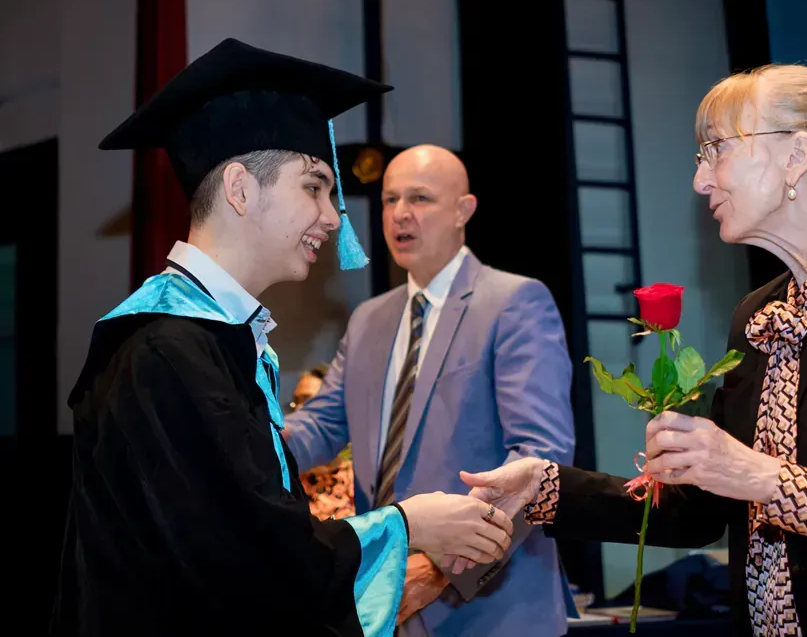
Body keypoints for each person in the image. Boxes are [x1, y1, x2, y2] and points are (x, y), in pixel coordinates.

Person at [456, 64, 807, 636]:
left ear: (796, 155)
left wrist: (765, 479)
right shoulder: (759, 314)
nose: (701, 181)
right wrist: (546, 486)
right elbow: (697, 512)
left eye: (716, 150)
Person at [52, 38, 514, 637]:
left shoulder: (215, 340)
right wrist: (406, 525)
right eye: (314, 187)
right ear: (241, 190)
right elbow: (251, 559)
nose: (334, 216)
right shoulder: (164, 350)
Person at [282, 144, 576, 636]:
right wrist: (244, 442)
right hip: (390, 596)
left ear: (464, 210)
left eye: (420, 198)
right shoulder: (370, 318)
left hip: (490, 605)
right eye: (390, 199)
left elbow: (540, 455)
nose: (400, 214)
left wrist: (443, 565)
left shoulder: (515, 302)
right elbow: (322, 424)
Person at [293, 365, 356, 520]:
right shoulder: (285, 479)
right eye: (296, 402)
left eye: (308, 401)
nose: (299, 410)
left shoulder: (357, 481)